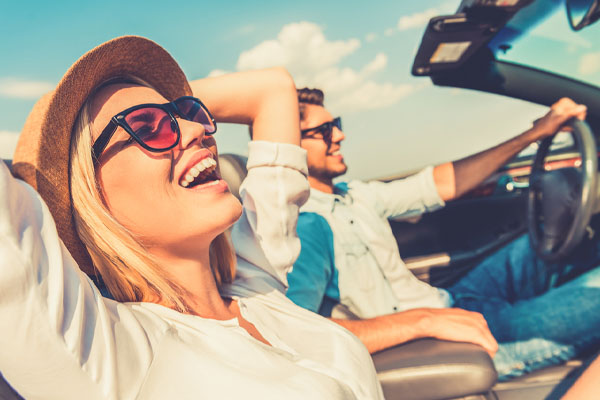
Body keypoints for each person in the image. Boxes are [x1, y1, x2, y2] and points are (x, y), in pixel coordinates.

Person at [0, 37, 383, 399]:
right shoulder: (112, 352)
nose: (198, 129)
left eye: (188, 112)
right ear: (91, 196)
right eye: (147, 126)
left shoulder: (256, 283)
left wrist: (167, 98)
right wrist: (59, 130)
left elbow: (273, 88)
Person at [286, 87, 600, 380]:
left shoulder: (354, 195)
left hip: (454, 300)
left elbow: (442, 183)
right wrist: (423, 322)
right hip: (442, 341)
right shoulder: (305, 227)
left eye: (335, 124)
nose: (339, 135)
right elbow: (300, 333)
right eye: (324, 131)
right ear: (290, 147)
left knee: (543, 241)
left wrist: (534, 134)